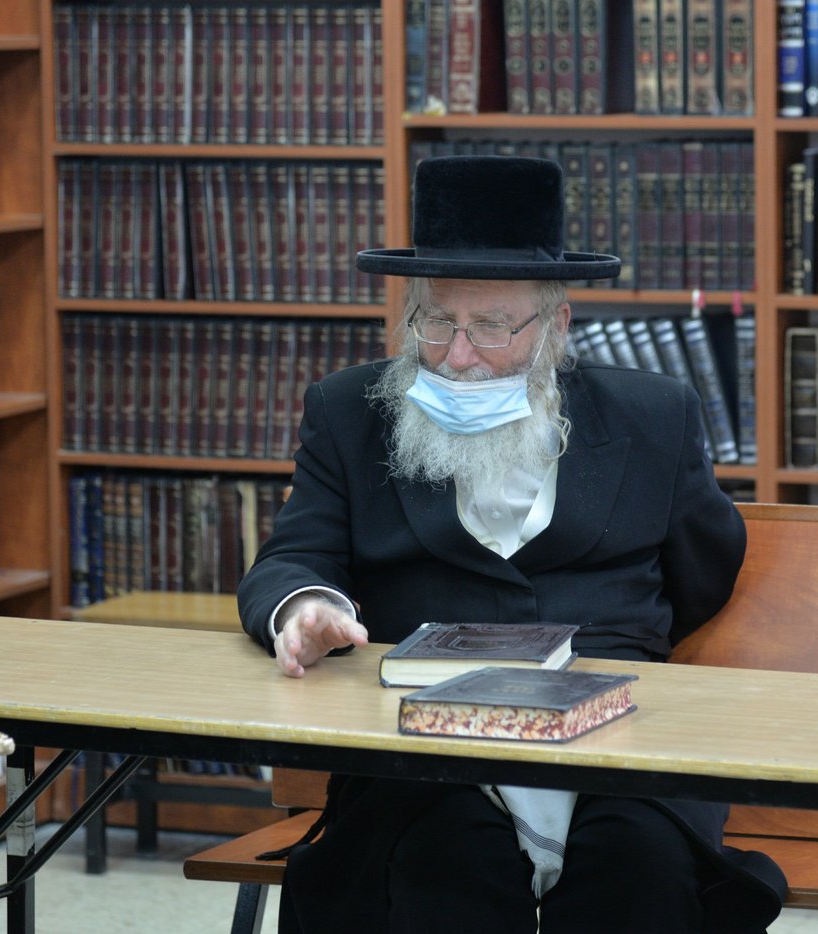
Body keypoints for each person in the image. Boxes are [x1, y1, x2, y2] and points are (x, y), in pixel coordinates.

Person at [238, 155, 785, 934]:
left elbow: (702, 572)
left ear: (557, 326)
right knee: (443, 867)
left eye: (492, 326)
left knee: (640, 871)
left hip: (619, 742)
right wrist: (308, 607)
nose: (459, 355)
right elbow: (293, 559)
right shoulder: (350, 411)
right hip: (421, 748)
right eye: (437, 322)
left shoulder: (654, 416)